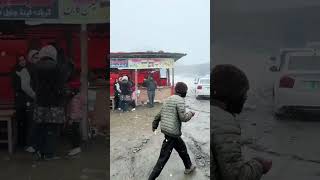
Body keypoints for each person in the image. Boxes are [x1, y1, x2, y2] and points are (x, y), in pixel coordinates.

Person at [211, 64, 272, 180]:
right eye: (244, 93)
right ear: (233, 94)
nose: (246, 97)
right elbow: (237, 176)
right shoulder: (224, 121)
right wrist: (259, 165)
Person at [149, 82, 196, 180]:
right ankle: (151, 178)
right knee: (162, 159)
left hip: (168, 131)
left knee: (182, 149)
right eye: (186, 91)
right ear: (183, 92)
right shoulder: (180, 101)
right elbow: (183, 118)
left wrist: (155, 124)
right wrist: (191, 113)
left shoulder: (168, 99)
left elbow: (160, 114)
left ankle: (189, 167)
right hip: (172, 133)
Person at [33, 45, 65, 160]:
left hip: (40, 102)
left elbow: (33, 84)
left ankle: (40, 152)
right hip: (54, 103)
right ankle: (49, 154)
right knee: (51, 129)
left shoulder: (36, 67)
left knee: (41, 128)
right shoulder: (57, 67)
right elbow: (60, 86)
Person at [12, 54, 36, 149]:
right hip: (20, 100)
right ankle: (20, 143)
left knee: (27, 122)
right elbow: (16, 86)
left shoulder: (28, 70)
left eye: (23, 60)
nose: (23, 62)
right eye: (20, 60)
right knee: (21, 122)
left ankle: (27, 142)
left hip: (27, 99)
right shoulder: (15, 72)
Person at [66, 78, 83, 156]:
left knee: (73, 133)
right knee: (75, 132)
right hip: (77, 117)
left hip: (74, 118)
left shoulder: (75, 99)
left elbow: (74, 110)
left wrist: (71, 119)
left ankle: (76, 148)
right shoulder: (78, 97)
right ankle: (76, 147)